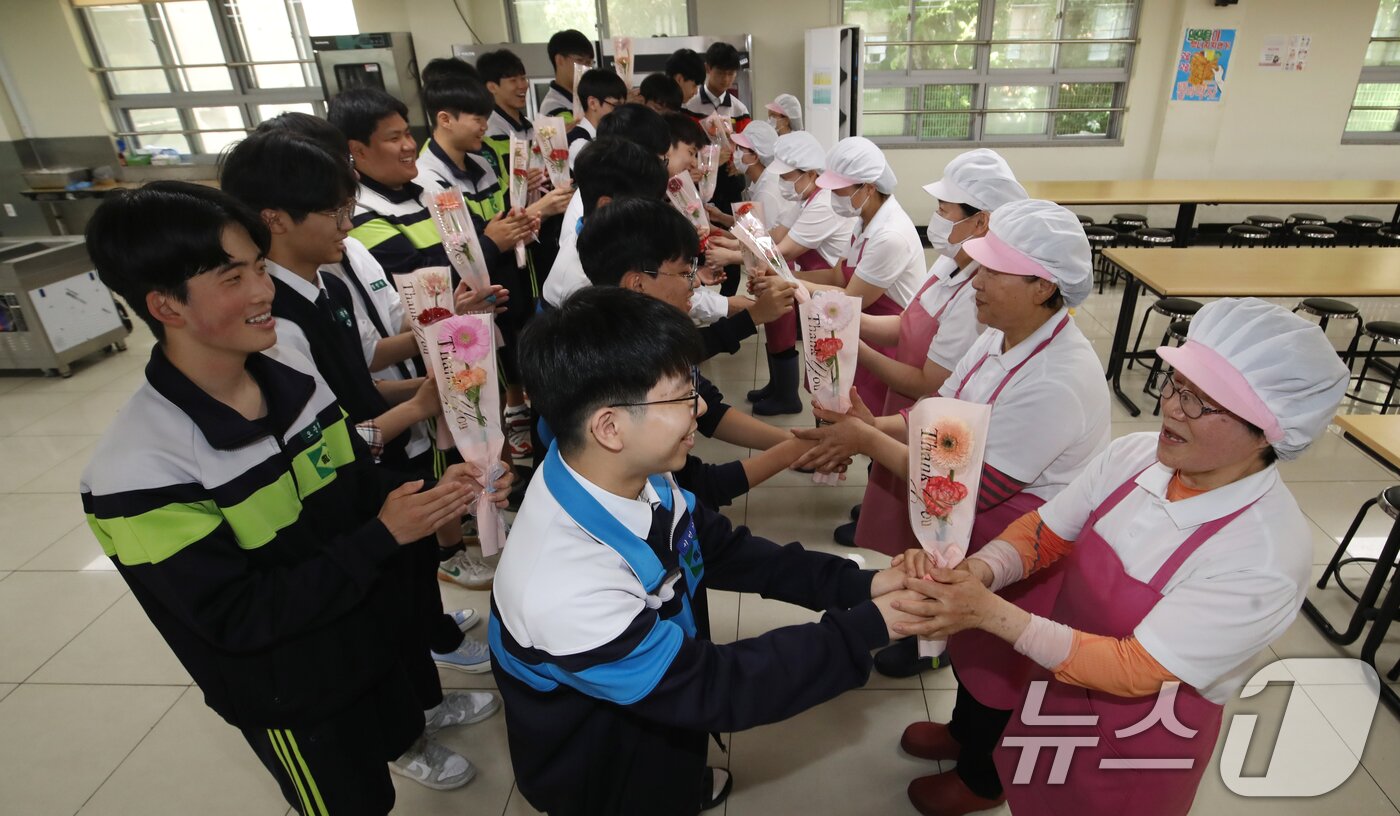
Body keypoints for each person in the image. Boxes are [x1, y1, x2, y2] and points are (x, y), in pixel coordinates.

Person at [80, 181, 505, 813]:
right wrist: (381, 536)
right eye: (232, 278)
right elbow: (237, 617)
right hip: (293, 689)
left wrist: (429, 496)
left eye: (258, 267)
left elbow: (350, 479)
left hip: (362, 634)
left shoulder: (288, 356)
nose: (263, 291)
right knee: (348, 801)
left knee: (390, 742)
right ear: (166, 306)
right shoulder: (138, 470)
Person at [891, 298, 1349, 816]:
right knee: (1031, 789)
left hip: (1136, 738)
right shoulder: (1136, 457)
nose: (1173, 407)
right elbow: (1045, 532)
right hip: (1058, 683)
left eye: (1203, 401)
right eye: (1177, 383)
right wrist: (978, 569)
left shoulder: (1264, 556)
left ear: (1269, 431)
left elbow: (1134, 668)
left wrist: (986, 611)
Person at [489, 284, 923, 816]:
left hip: (658, 712)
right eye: (678, 396)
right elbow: (717, 686)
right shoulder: (564, 586)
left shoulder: (630, 472)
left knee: (675, 761)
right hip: (602, 767)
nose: (699, 407)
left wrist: (861, 586)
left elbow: (714, 547)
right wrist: (869, 627)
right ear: (609, 426)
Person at [793, 199, 1110, 808]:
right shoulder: (1002, 337)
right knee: (965, 643)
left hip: (1017, 541)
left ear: (1043, 286)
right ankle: (963, 733)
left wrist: (863, 439)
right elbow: (939, 422)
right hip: (967, 522)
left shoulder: (1057, 380)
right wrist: (873, 421)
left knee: (996, 659)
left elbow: (972, 484)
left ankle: (985, 778)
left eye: (994, 270)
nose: (977, 278)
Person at [253, 111, 507, 594]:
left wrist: (434, 386)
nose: (348, 222)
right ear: (276, 218)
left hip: (382, 459)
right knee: (383, 578)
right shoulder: (275, 324)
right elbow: (324, 445)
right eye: (335, 210)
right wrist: (418, 405)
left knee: (409, 569)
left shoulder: (328, 285)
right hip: (353, 483)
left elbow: (362, 380)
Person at [837, 149, 1025, 552]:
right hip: (906, 405)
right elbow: (906, 325)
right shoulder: (950, 260)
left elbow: (930, 382)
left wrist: (859, 351)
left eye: (945, 207)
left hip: (930, 412)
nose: (936, 216)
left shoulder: (980, 291)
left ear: (981, 221)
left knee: (914, 512)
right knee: (888, 477)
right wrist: (849, 322)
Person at [804, 136, 930, 413]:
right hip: (856, 328)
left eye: (839, 190)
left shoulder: (890, 235)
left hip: (882, 341)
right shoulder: (864, 220)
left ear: (868, 189)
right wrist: (792, 280)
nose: (833, 197)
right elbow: (839, 276)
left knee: (865, 422)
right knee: (836, 410)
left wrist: (797, 288)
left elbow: (848, 300)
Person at [742, 131, 854, 416]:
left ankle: (787, 396)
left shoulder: (824, 202)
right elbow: (775, 235)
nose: (783, 183)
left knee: (828, 364)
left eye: (788, 176)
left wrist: (735, 255)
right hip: (813, 279)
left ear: (811, 173)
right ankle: (779, 387)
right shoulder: (805, 199)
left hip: (828, 284)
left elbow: (785, 251)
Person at [566, 68, 628, 168]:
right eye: (616, 105)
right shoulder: (580, 143)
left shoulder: (606, 137)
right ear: (593, 103)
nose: (622, 112)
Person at [540, 29, 594, 123]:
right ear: (559, 60)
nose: (586, 67)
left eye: (589, 62)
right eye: (580, 61)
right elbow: (577, 134)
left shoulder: (586, 95)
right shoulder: (553, 106)